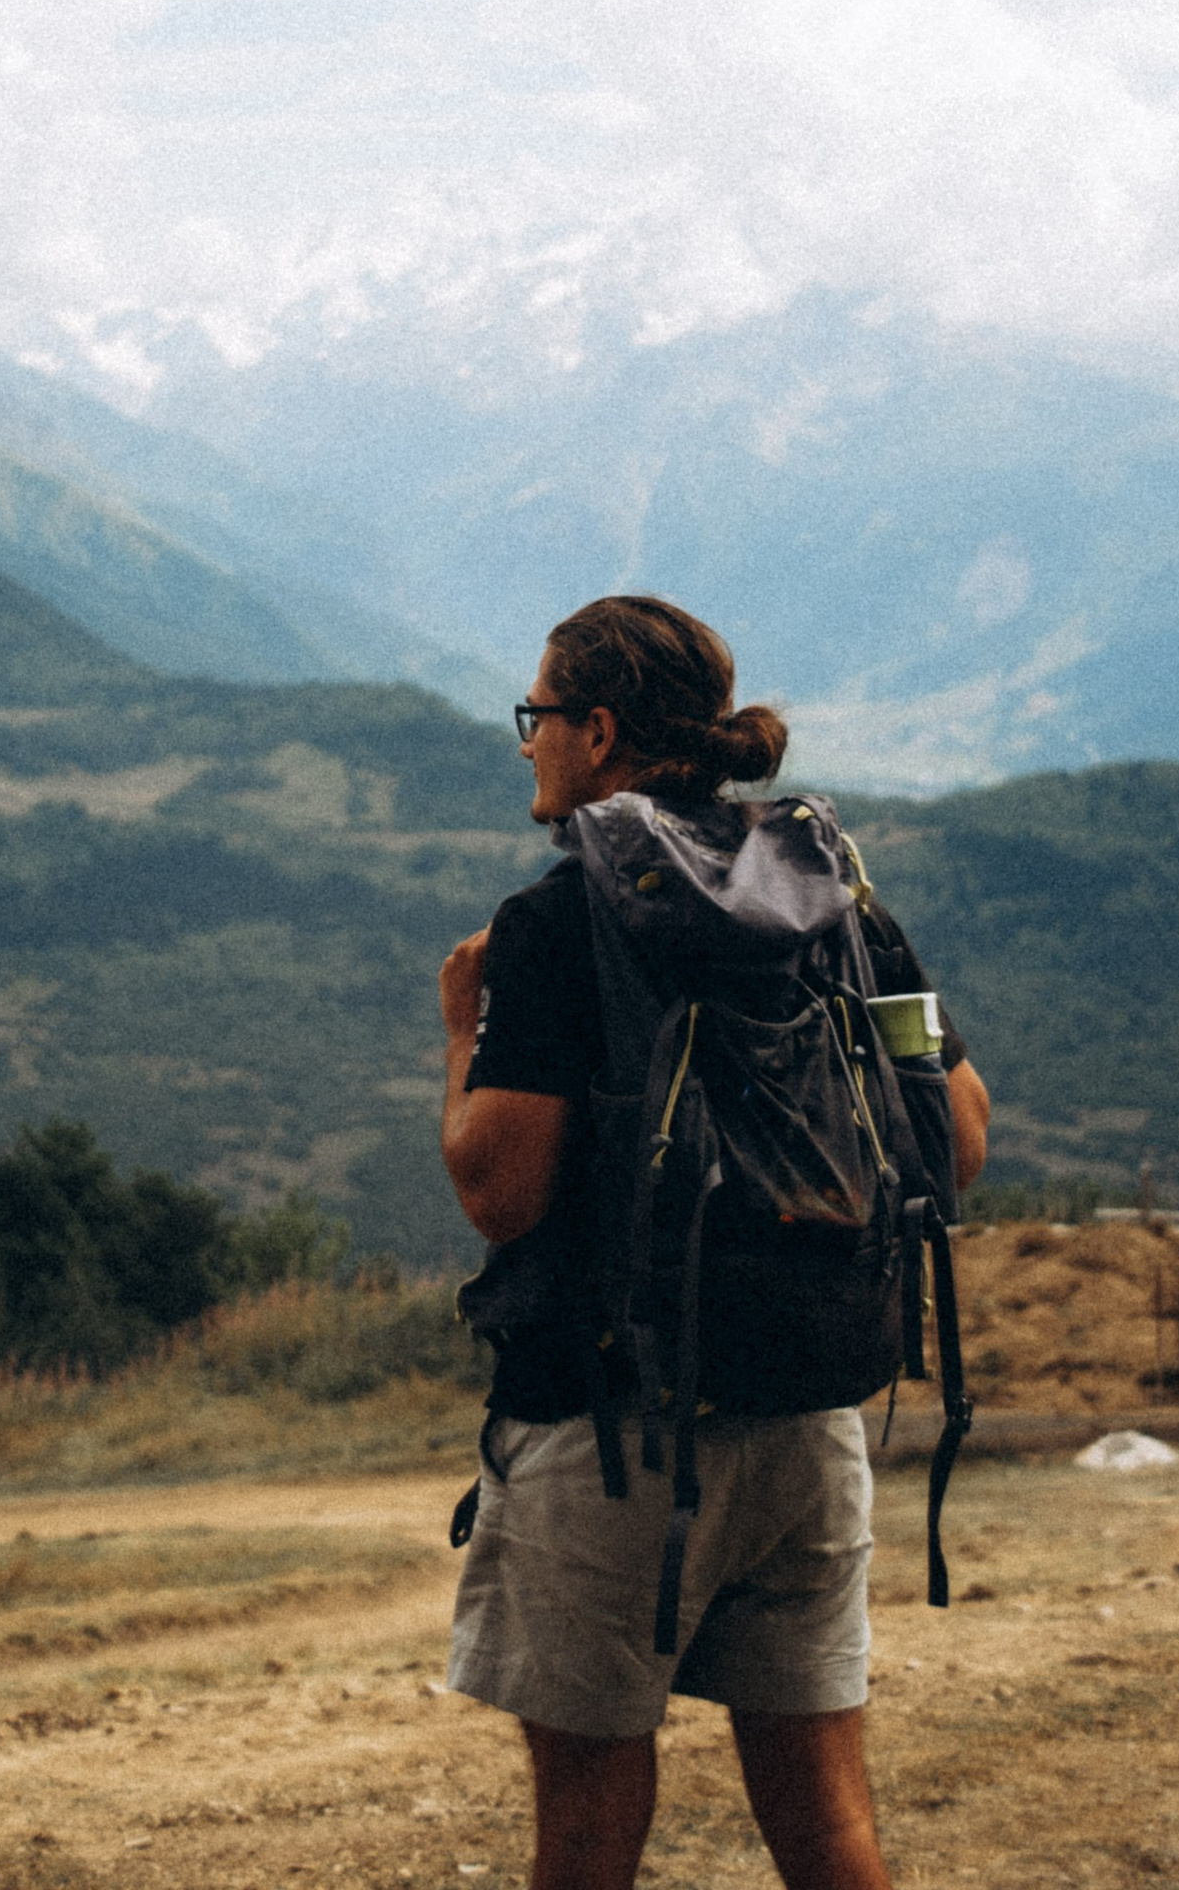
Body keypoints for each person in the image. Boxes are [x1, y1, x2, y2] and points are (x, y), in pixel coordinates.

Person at [439, 596, 990, 1890]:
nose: (527, 746)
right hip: (809, 1417)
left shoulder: (556, 925)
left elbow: (499, 1190)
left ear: (600, 728)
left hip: (608, 1431)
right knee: (826, 1824)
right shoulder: (844, 909)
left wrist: (461, 1032)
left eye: (538, 718)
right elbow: (954, 1131)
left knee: (586, 1833)